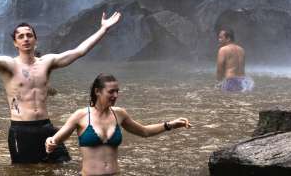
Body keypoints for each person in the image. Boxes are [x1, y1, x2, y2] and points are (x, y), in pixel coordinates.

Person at [0, 8, 121, 163]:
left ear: (35, 40)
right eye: (21, 36)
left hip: (46, 128)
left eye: (29, 35)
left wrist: (103, 29)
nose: (25, 39)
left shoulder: (47, 62)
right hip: (21, 130)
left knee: (63, 165)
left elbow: (79, 51)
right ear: (15, 43)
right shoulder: (8, 65)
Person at [45, 74, 191, 175]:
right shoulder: (81, 115)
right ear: (97, 91)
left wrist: (170, 125)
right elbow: (57, 139)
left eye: (117, 91)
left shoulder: (119, 114)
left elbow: (144, 131)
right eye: (111, 92)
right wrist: (50, 141)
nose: (115, 95)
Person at [215, 28, 252, 92]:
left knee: (227, 100)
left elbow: (219, 69)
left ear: (228, 38)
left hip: (231, 81)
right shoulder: (241, 49)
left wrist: (218, 83)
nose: (219, 40)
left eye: (221, 38)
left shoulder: (223, 50)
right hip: (244, 82)